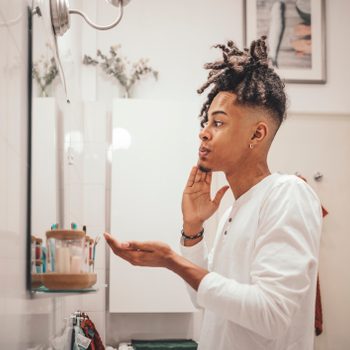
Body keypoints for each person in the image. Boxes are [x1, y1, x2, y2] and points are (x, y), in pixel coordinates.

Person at [104, 36, 322, 350]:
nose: (203, 131)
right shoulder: (234, 210)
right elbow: (204, 298)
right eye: (207, 122)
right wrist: (192, 230)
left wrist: (173, 262)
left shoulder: (288, 194)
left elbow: (272, 314)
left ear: (257, 134)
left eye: (218, 123)